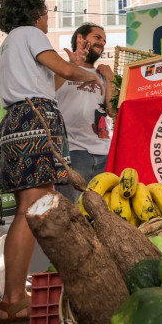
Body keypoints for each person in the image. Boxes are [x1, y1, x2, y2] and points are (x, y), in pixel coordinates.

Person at [0, 0, 103, 323]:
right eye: (45, 11)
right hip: (35, 122)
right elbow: (66, 72)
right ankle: (13, 299)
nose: (47, 17)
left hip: (17, 122)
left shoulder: (11, 42)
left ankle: (13, 298)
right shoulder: (30, 33)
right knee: (31, 210)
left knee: (26, 210)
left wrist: (73, 66)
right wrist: (94, 76)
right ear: (35, 12)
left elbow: (49, 84)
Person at [55, 23, 115, 203]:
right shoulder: (61, 69)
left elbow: (113, 111)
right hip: (71, 152)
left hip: (104, 152)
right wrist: (71, 65)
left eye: (104, 40)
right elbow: (47, 91)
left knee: (104, 212)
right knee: (71, 211)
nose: (102, 43)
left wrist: (110, 78)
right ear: (80, 38)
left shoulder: (103, 75)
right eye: (97, 37)